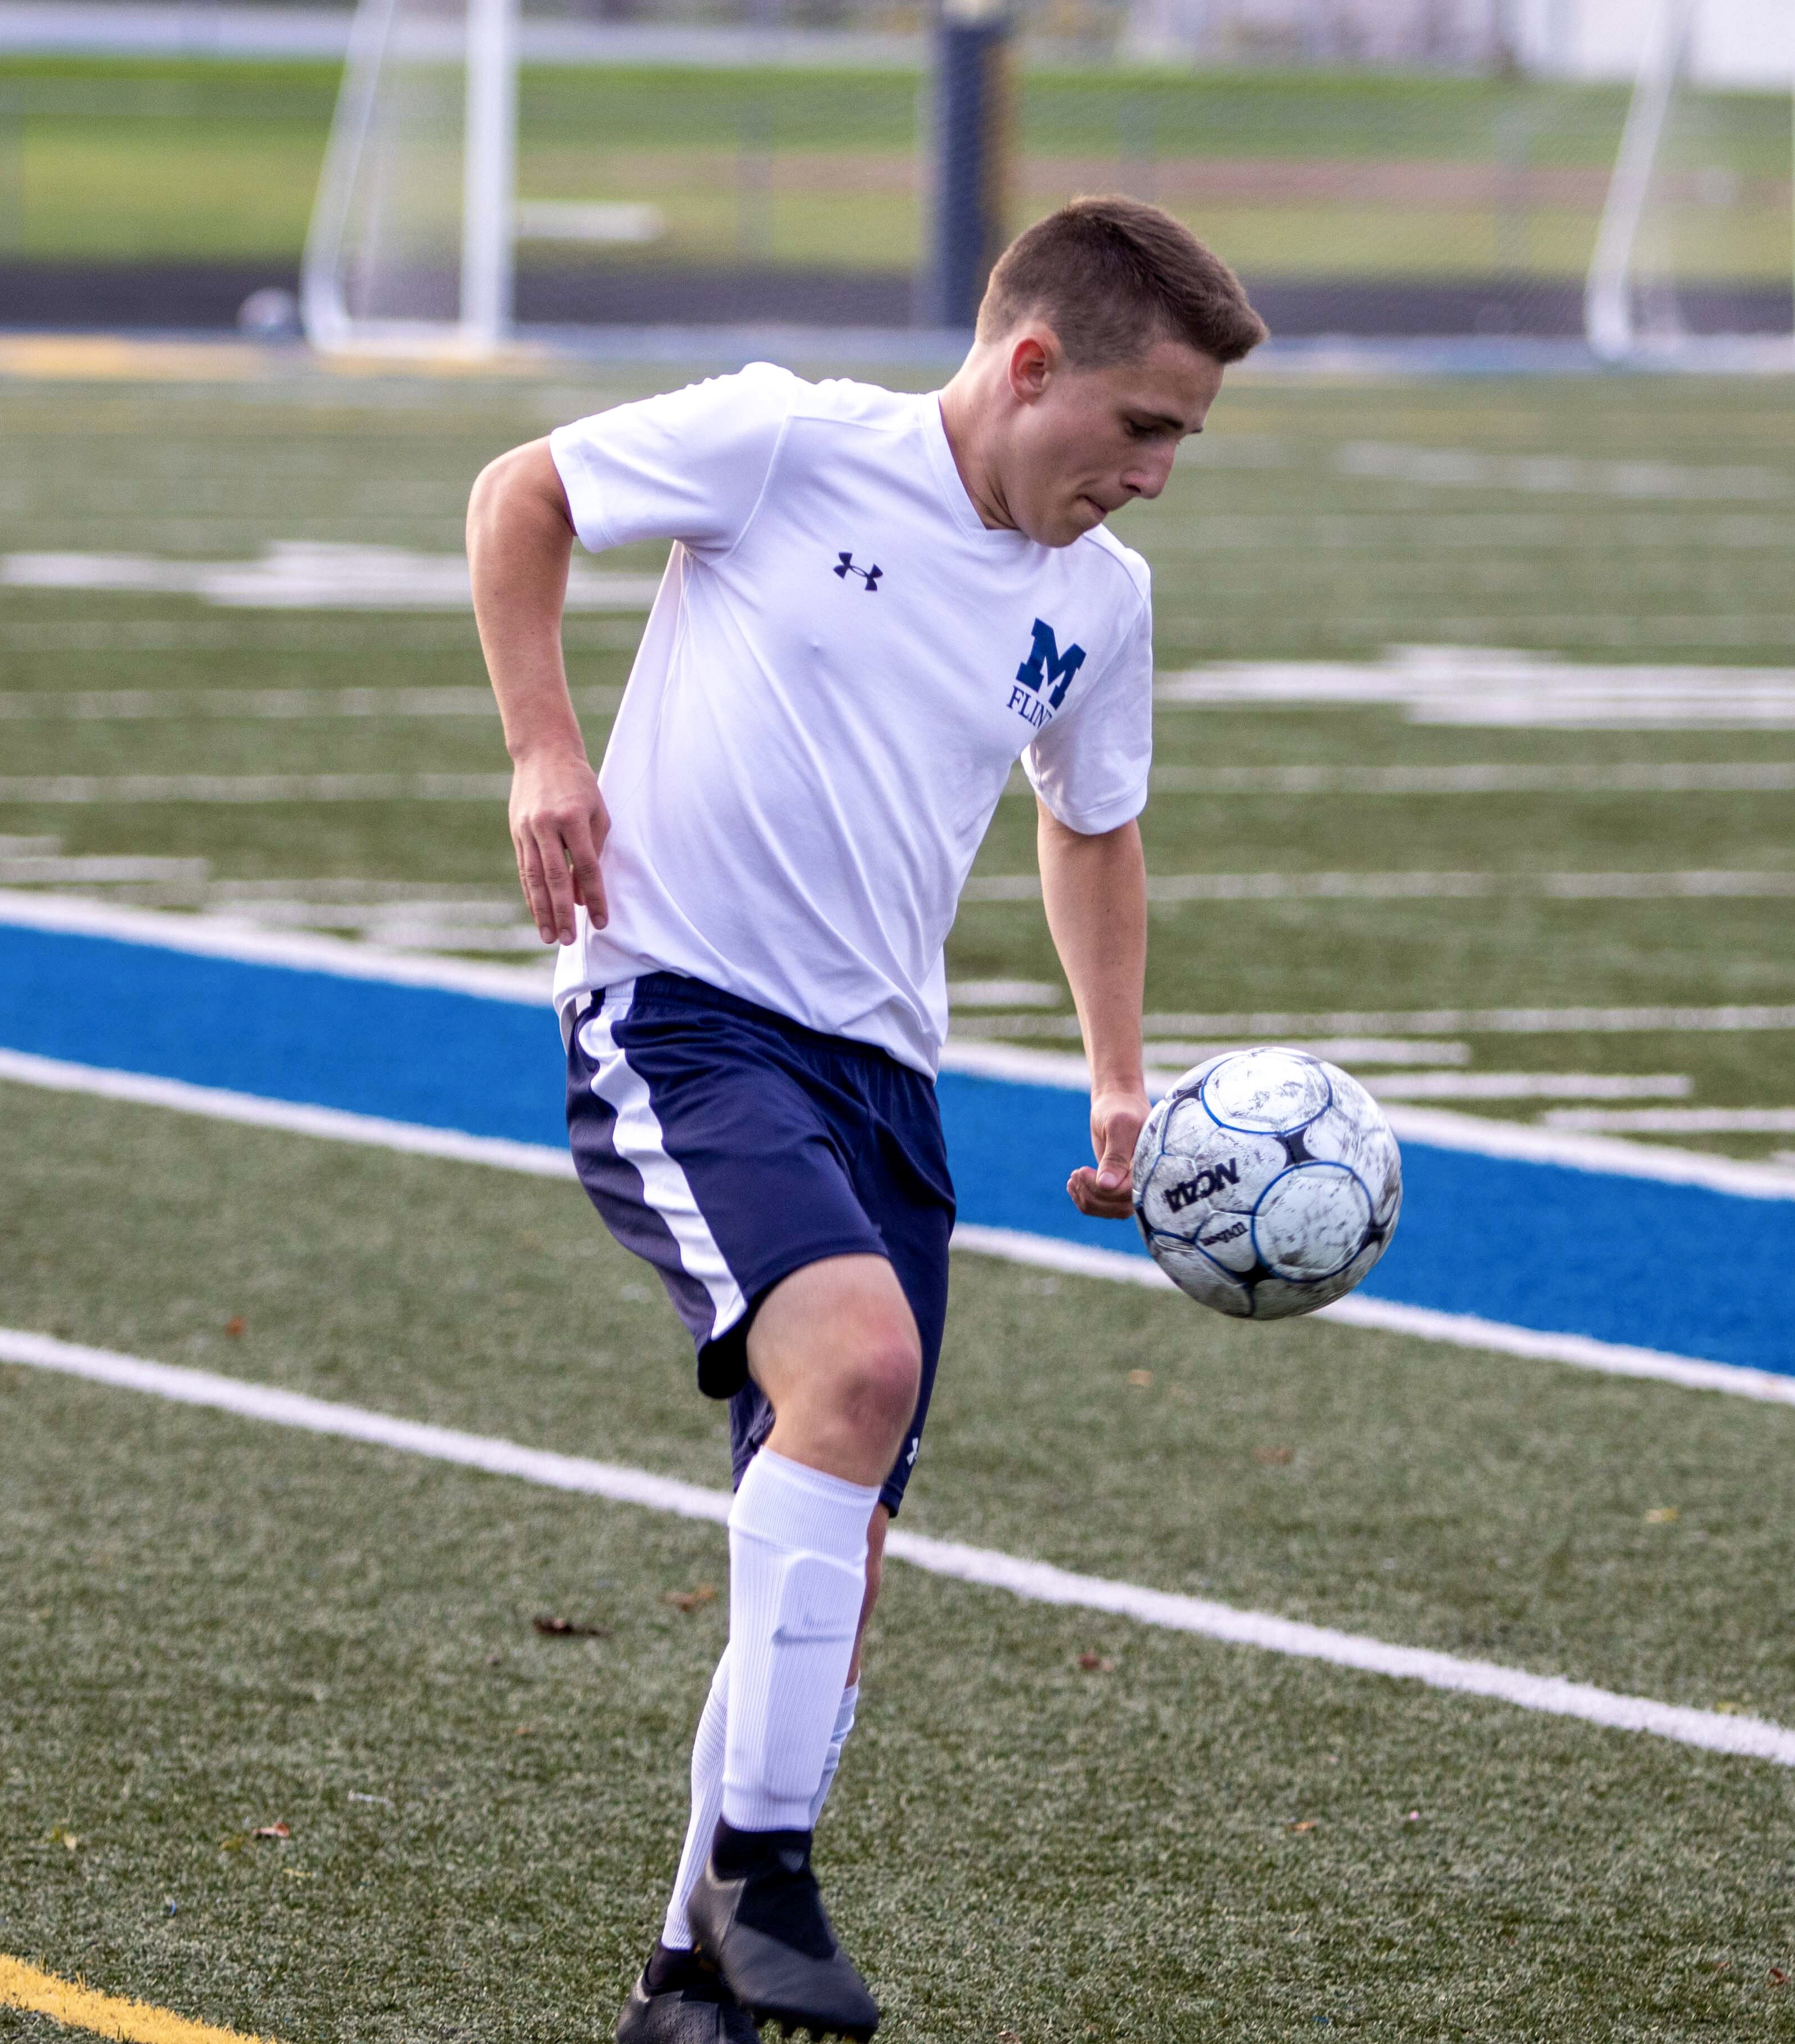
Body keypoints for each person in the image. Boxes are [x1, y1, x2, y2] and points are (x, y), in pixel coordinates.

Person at [464, 195, 1267, 2043]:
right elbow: (521, 494)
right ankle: (768, 1872)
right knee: (855, 1369)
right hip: (676, 1011)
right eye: (1141, 428)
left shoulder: (1099, 603)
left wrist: (1120, 1071)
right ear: (1029, 363)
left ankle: (690, 1986)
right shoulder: (786, 441)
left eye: (1185, 445)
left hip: (880, 1078)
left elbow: (1090, 825)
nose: (1155, 476)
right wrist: (542, 745)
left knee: (836, 1522)